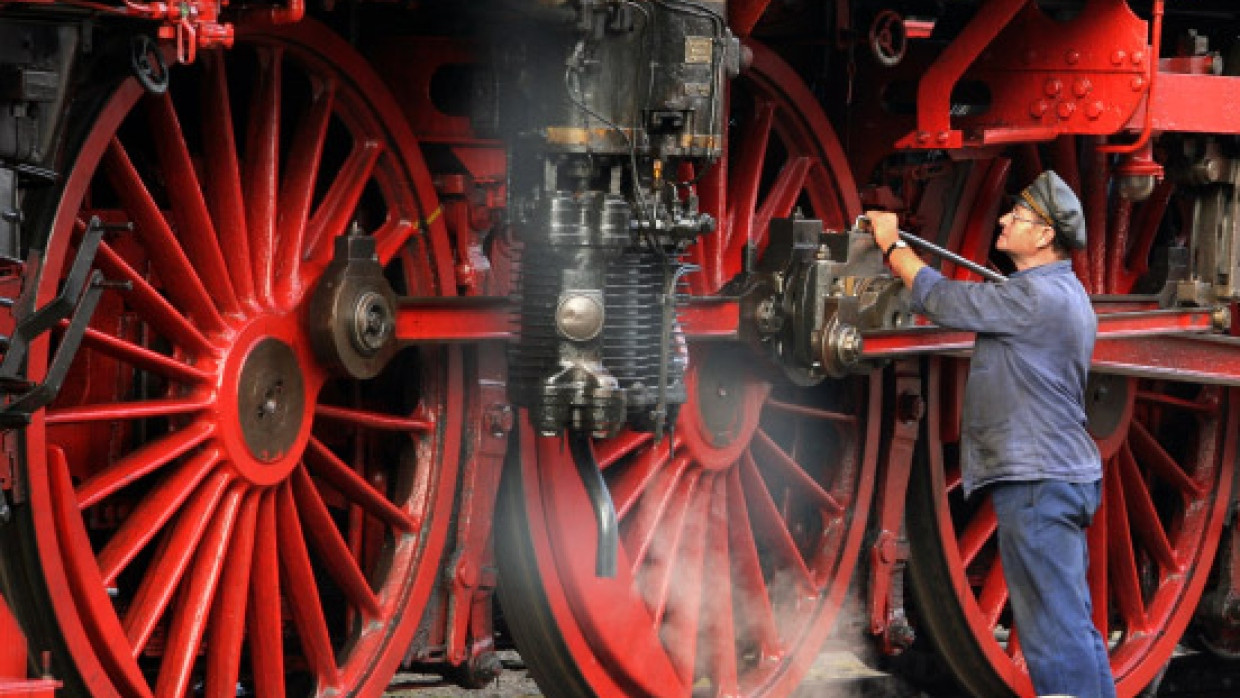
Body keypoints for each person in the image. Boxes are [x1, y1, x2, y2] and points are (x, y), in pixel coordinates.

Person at [868, 170, 1115, 698]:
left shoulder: (1035, 300)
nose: (1004, 219)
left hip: (1037, 479)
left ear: (1046, 235)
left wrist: (892, 247)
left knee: (1051, 632)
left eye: (1018, 216)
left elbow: (944, 302)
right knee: (1073, 624)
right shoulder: (1066, 295)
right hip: (1059, 474)